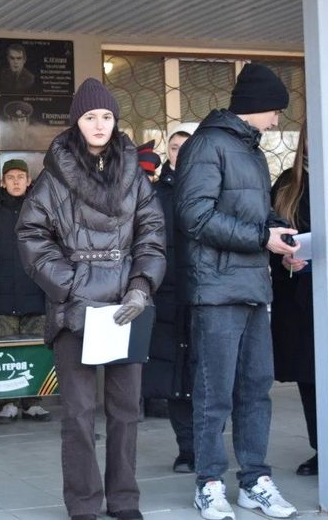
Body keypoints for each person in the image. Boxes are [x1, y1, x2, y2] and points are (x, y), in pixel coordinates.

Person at [17, 77, 166, 520]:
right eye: (89, 116)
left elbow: (153, 235)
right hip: (74, 310)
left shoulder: (135, 177)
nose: (99, 124)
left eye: (106, 116)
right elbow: (30, 237)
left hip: (126, 307)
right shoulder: (52, 178)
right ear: (76, 122)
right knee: (79, 415)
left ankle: (124, 501)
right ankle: (82, 504)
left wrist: (141, 286)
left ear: (115, 121)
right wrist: (75, 284)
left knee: (125, 412)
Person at [174, 63, 298, 520]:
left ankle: (254, 481)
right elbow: (195, 217)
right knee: (214, 393)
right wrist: (259, 238)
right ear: (257, 106)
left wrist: (281, 239)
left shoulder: (251, 150)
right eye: (276, 111)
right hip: (216, 291)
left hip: (253, 286)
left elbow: (253, 217)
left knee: (255, 389)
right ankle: (208, 483)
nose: (278, 121)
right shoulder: (208, 145)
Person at [138, 127, 196, 474]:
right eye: (173, 148)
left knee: (203, 374)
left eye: (185, 148)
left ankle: (207, 443)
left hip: (206, 295)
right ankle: (186, 448)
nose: (179, 153)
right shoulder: (154, 195)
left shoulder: (211, 189)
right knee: (173, 376)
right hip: (167, 294)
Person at [0, 158, 50, 424]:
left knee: (34, 351)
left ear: (29, 181)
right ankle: (7, 403)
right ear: (2, 182)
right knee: (5, 353)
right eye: (11, 177)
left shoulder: (41, 211)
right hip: (1, 294)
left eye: (21, 176)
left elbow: (50, 254)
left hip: (36, 293)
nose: (17, 181)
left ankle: (33, 403)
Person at [270, 123, 317, 476]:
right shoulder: (288, 183)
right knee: (310, 376)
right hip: (300, 296)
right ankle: (323, 446)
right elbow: (270, 233)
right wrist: (285, 256)